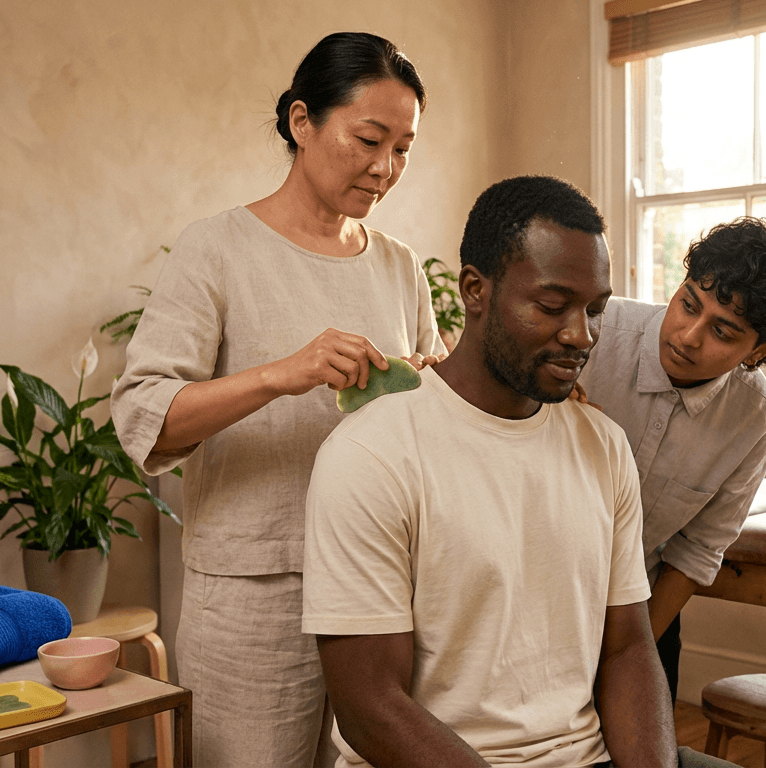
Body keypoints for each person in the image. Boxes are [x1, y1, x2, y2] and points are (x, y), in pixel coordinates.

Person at [302, 176, 734, 768]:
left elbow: (628, 648)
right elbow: (370, 705)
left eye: (596, 310)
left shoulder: (604, 447)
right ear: (475, 290)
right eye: (553, 307)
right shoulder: (372, 455)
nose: (582, 335)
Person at [110, 32, 443, 768]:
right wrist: (279, 374)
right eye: (368, 139)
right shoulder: (215, 248)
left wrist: (433, 384)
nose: (385, 168)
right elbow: (144, 416)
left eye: (404, 148)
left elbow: (440, 424)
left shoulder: (398, 266)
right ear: (302, 121)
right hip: (254, 587)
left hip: (380, 585)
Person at [576, 217, 766, 701]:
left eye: (724, 332)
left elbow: (697, 550)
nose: (688, 336)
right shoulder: (596, 332)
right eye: (688, 304)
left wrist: (626, 655)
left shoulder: (754, 417)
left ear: (761, 351)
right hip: (525, 592)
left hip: (639, 608)